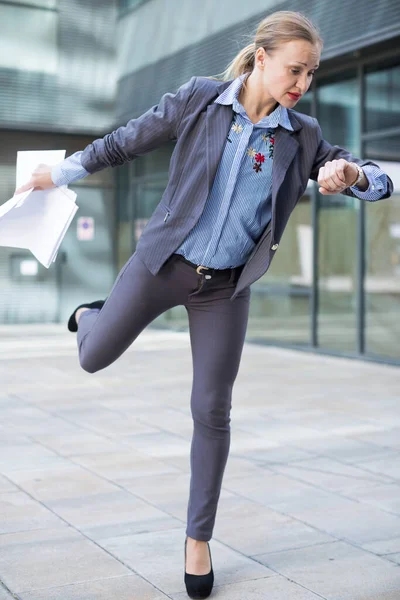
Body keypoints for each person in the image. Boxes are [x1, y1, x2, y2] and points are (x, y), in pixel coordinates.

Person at [16, 11, 393, 599]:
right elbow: (124, 142)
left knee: (212, 409)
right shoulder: (199, 100)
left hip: (225, 287)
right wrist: (58, 173)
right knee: (92, 357)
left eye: (312, 74)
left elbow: (371, 177)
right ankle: (95, 314)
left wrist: (350, 176)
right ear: (261, 58)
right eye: (295, 70)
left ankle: (197, 539)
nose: (302, 83)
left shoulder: (304, 136)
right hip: (160, 264)